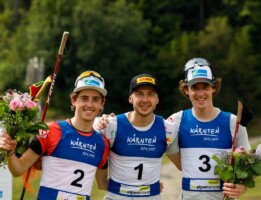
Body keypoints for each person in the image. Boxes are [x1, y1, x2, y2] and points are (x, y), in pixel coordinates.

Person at [0, 70, 110, 200]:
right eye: (84, 98)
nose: (89, 104)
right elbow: (18, 170)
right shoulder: (52, 130)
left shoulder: (102, 143)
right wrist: (11, 152)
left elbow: (103, 184)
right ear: (74, 100)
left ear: (102, 104)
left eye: (95, 99)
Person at [167, 57, 250, 199]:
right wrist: (114, 123)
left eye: (205, 87)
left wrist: (243, 187)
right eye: (194, 87)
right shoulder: (176, 121)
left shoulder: (233, 122)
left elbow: (248, 165)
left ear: (214, 87)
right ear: (186, 90)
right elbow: (147, 130)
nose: (200, 93)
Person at [93, 74, 179, 200]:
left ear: (157, 99)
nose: (145, 100)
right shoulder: (110, 125)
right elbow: (85, 131)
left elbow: (184, 165)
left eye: (151, 94)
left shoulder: (168, 129)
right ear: (130, 98)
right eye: (139, 94)